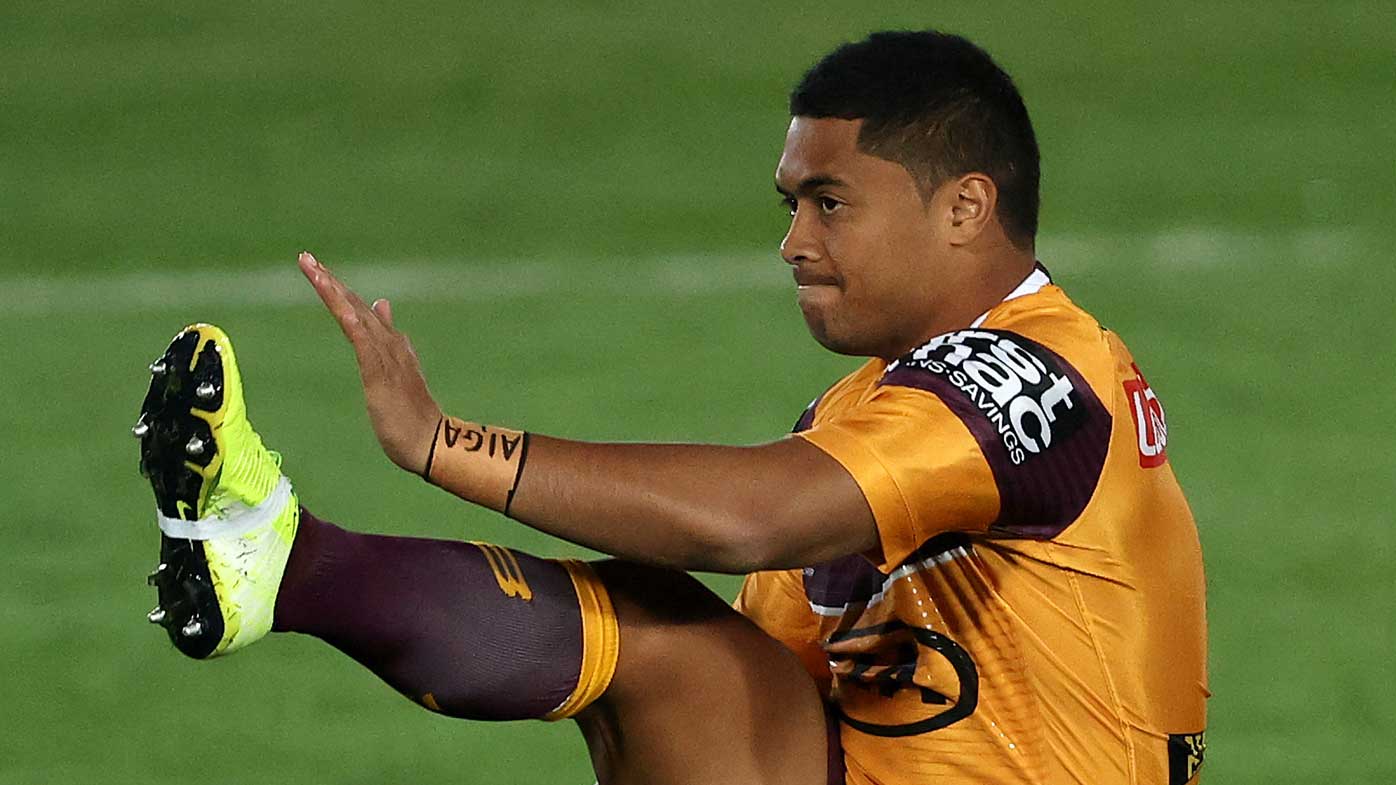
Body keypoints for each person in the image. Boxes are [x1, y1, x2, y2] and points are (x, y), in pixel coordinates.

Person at [134, 30, 1208, 785]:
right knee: (666, 643)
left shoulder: (1034, 386)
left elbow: (747, 520)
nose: (794, 242)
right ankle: (278, 557)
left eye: (829, 204)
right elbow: (750, 689)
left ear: (967, 206)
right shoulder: (866, 403)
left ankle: (287, 559)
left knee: (672, 638)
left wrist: (443, 443)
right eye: (791, 205)